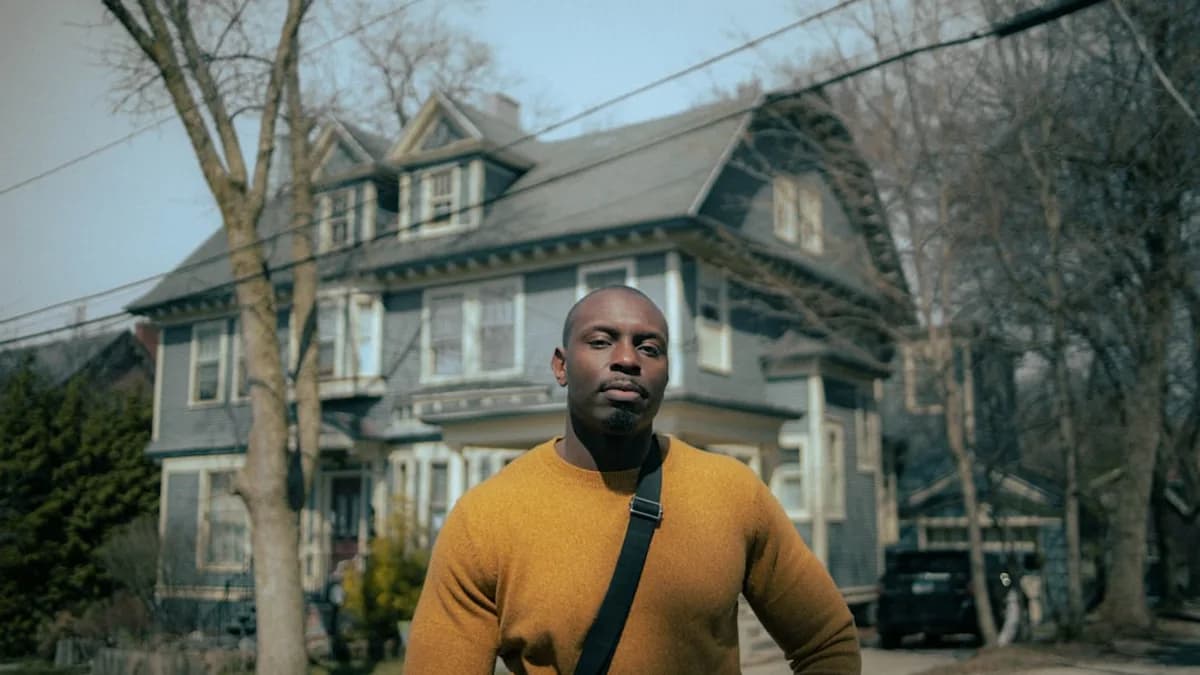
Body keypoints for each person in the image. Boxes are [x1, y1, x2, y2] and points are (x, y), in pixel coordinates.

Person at [404, 286, 860, 674]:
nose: (626, 359)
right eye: (601, 341)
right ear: (561, 366)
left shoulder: (732, 493)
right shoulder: (485, 519)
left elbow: (826, 642)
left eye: (649, 347)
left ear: (665, 373)